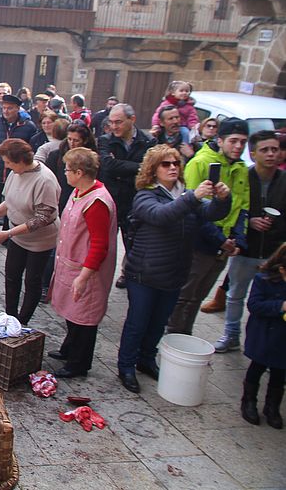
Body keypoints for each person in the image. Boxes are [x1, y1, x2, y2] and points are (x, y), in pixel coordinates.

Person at [116, 145, 231, 393]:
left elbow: (210, 214)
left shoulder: (186, 195)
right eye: (165, 164)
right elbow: (161, 215)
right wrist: (193, 198)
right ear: (153, 169)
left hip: (174, 273)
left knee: (158, 323)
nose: (172, 168)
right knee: (138, 323)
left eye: (175, 164)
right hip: (144, 273)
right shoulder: (145, 195)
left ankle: (146, 359)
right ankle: (126, 366)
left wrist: (223, 198)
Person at [167, 118, 250, 336]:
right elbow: (191, 207)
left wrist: (237, 239)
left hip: (224, 246)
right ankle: (171, 338)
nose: (238, 147)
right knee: (184, 295)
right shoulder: (200, 162)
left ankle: (186, 335)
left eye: (243, 142)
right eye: (233, 141)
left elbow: (243, 207)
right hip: (201, 242)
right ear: (220, 140)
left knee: (199, 296)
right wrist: (219, 239)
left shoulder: (241, 169)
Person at [47, 148, 117, 378]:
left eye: (67, 170)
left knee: (84, 318)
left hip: (86, 269)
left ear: (79, 172)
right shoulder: (79, 191)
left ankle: (79, 363)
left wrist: (84, 276)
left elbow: (99, 244)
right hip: (71, 263)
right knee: (72, 313)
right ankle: (69, 349)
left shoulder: (97, 201)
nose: (64, 173)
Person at [214, 130, 286, 353]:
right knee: (236, 293)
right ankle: (231, 334)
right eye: (265, 150)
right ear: (253, 154)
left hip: (275, 251)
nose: (271, 154)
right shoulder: (243, 176)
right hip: (248, 247)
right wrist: (250, 222)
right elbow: (236, 207)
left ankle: (267, 339)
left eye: (275, 149)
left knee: (273, 296)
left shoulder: (284, 180)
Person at [0, 138, 60, 325]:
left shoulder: (44, 180)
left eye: (8, 162)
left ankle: (22, 320)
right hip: (17, 234)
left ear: (20, 160)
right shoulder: (16, 173)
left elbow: (42, 218)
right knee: (12, 275)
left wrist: (9, 233)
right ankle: (10, 316)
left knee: (32, 280)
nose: (6, 166)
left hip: (39, 239)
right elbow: (10, 201)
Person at [98, 103, 156, 288]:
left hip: (134, 200)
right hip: (111, 199)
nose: (114, 126)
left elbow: (150, 170)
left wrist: (121, 166)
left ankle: (127, 274)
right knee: (104, 242)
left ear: (132, 120)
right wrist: (138, 167)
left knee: (132, 242)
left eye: (119, 122)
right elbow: (107, 165)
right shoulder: (106, 140)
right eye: (112, 122)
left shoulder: (148, 142)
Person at [0, 94, 38, 238]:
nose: (6, 111)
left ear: (18, 109)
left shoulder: (28, 126)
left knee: (12, 205)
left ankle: (7, 235)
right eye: (4, 108)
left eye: (10, 108)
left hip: (17, 173)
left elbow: (31, 151)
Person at [240, 244, 286, 428]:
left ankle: (272, 406)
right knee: (257, 367)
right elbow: (254, 305)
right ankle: (248, 401)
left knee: (279, 372)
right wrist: (281, 306)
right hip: (264, 334)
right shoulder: (264, 279)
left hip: (283, 340)